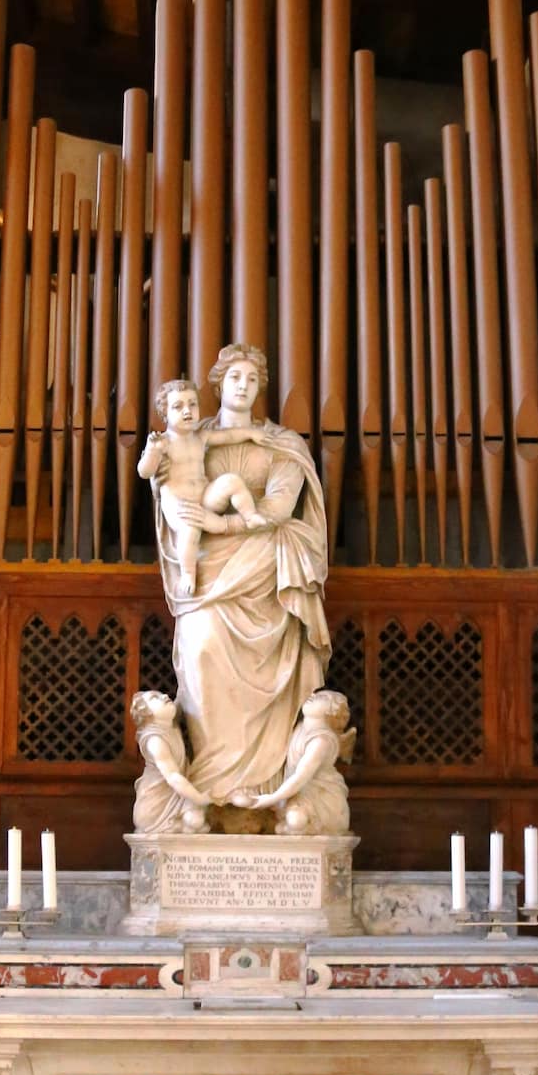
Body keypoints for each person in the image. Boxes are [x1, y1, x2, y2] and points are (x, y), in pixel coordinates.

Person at [152, 344, 331, 809]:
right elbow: (166, 489)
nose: (243, 386)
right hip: (207, 577)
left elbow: (277, 508)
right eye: (235, 377)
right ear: (218, 383)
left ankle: (265, 784)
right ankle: (209, 781)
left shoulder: (282, 445)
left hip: (262, 570)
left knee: (267, 668)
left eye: (252, 379)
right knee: (202, 643)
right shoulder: (191, 432)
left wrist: (222, 525)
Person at [138, 380, 266, 597]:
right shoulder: (164, 443)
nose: (187, 411)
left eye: (192, 404)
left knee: (231, 481)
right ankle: (188, 572)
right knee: (190, 530)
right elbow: (145, 471)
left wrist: (250, 433)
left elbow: (228, 436)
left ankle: (250, 515)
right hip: (180, 506)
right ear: (165, 414)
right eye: (178, 407)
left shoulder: (201, 436)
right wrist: (152, 451)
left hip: (204, 496)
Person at [238, 690, 354, 834]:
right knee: (294, 820)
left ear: (332, 712)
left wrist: (268, 799)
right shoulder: (299, 727)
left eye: (322, 697)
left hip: (320, 796)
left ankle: (313, 826)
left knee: (295, 820)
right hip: (298, 793)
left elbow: (300, 777)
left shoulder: (321, 740)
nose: (312, 696)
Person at [129, 690, 210, 833]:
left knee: (196, 820)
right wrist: (199, 798)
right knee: (196, 821)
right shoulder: (155, 740)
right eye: (155, 697)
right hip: (157, 804)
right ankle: (172, 826)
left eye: (162, 695)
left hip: (178, 793)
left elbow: (181, 695)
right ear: (145, 713)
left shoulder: (169, 725)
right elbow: (173, 777)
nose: (165, 696)